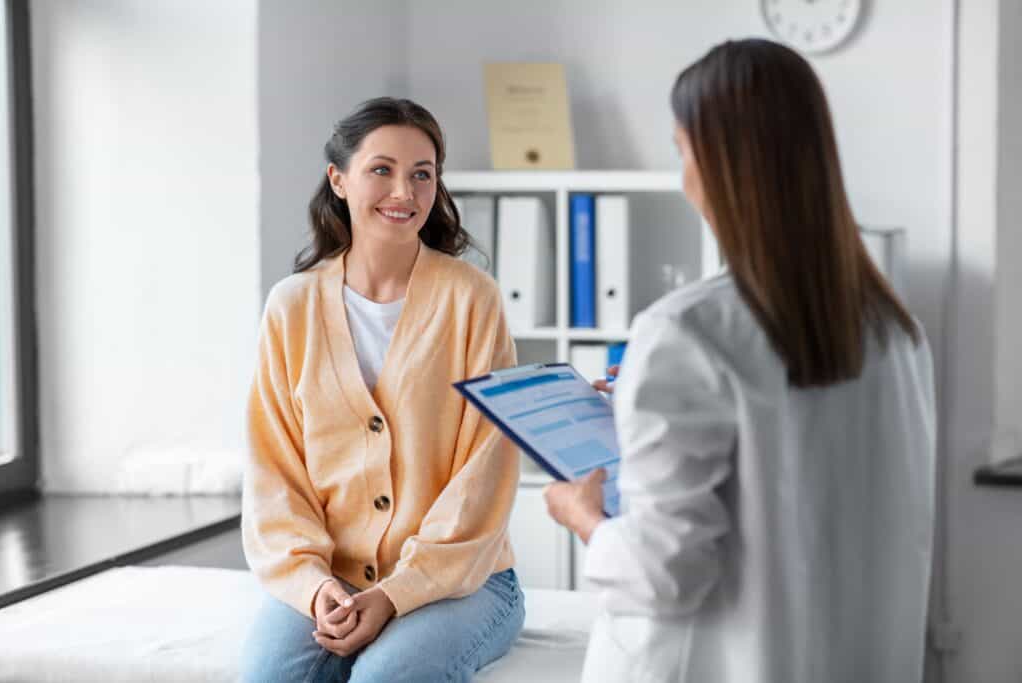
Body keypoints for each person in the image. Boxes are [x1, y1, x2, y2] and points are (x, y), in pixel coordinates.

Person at [544, 39, 936, 683]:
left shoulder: (685, 332)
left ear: (718, 162)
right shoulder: (896, 331)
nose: (683, 175)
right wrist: (647, 404)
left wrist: (583, 516)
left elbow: (665, 575)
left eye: (681, 150)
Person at [240, 97, 524, 683]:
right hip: (330, 573)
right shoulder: (291, 306)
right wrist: (313, 585)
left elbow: (486, 469)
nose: (405, 191)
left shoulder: (472, 299)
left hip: (464, 577)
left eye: (423, 174)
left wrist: (397, 595)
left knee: (385, 678)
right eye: (382, 170)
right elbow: (274, 471)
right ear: (338, 180)